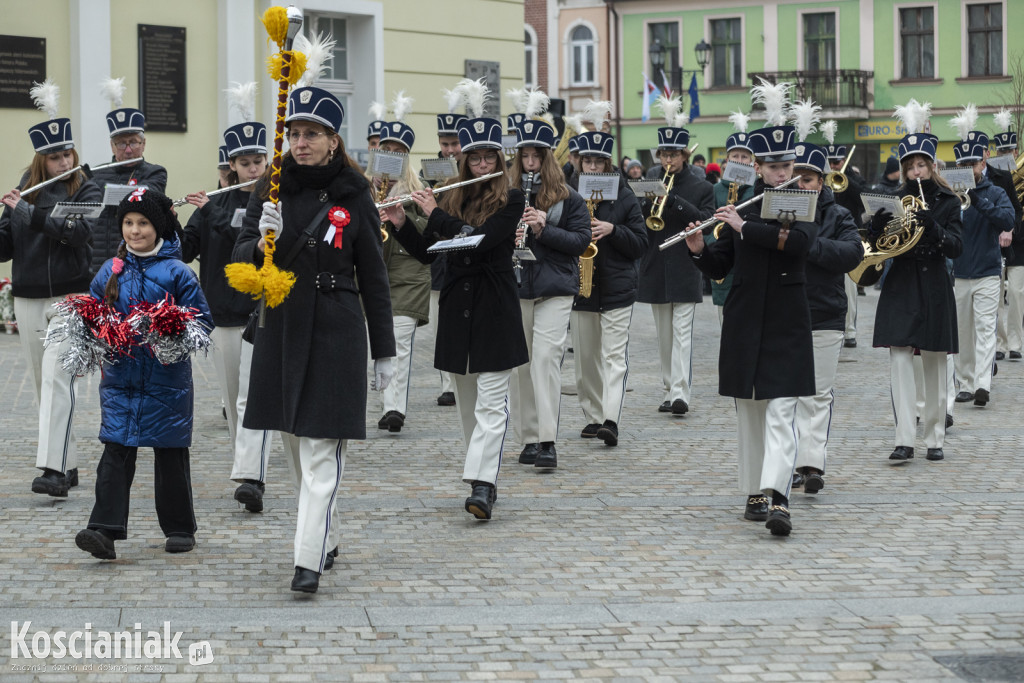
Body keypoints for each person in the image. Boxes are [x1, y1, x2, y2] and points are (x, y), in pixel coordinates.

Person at [233, 86, 396, 593]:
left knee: (323, 445)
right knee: (295, 448)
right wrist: (263, 238)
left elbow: (374, 275)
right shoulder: (270, 188)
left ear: (332, 140)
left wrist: (385, 350)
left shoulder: (354, 192)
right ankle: (324, 537)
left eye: (312, 135)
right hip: (281, 322)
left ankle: (306, 561)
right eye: (294, 133)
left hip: (336, 324)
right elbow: (240, 259)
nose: (300, 143)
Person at [385, 87, 528, 521]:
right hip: (458, 309)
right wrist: (401, 224)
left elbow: (480, 241)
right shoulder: (449, 195)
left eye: (489, 158)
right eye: (475, 159)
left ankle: (483, 484)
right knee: (468, 407)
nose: (482, 166)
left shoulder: (514, 198)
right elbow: (431, 251)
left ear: (500, 161)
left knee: (490, 403)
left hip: (495, 307)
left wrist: (432, 214)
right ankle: (480, 475)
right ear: (463, 160)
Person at [683, 80, 816, 537]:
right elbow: (724, 265)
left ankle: (779, 498)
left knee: (782, 410)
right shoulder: (743, 203)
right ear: (757, 167)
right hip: (744, 318)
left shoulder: (801, 201)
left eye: (786, 166)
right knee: (751, 411)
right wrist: (699, 248)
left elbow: (798, 245)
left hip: (786, 319)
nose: (781, 174)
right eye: (773, 167)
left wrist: (745, 226)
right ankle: (756, 489)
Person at [74, 188, 212, 560]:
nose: (135, 231)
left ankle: (180, 527)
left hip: (166, 381)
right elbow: (93, 311)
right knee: (115, 450)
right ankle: (103, 530)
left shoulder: (177, 272)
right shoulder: (109, 269)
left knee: (170, 453)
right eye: (129, 223)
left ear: (160, 226)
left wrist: (171, 328)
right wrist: (90, 329)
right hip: (120, 378)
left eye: (143, 223)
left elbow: (202, 321)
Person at [0, 80, 102, 497]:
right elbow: (6, 247)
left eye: (67, 154)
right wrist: (7, 218)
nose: (63, 162)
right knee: (45, 384)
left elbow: (78, 234)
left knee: (61, 377)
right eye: (54, 156)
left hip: (71, 296)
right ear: (42, 159)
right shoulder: (24, 189)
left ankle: (53, 471)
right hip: (26, 296)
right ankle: (68, 462)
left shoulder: (87, 187)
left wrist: (30, 212)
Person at [181, 93, 274, 513]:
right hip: (222, 314)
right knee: (233, 395)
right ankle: (246, 468)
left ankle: (253, 472)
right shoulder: (213, 204)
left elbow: (243, 234)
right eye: (244, 163)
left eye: (258, 162)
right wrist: (159, 218)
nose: (252, 169)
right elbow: (184, 250)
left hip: (262, 313)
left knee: (255, 397)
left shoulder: (274, 201)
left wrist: (213, 212)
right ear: (231, 166)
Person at [871, 100, 962, 465]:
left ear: (932, 166)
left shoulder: (949, 201)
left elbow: (956, 246)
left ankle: (935, 436)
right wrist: (877, 228)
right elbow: (881, 249)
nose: (916, 171)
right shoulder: (896, 199)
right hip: (902, 285)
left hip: (935, 284)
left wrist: (933, 225)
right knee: (900, 361)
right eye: (910, 167)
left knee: (936, 362)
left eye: (922, 164)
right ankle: (904, 438)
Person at [508, 106, 591, 469]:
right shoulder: (508, 194)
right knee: (521, 365)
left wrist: (544, 228)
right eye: (524, 156)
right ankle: (527, 437)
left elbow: (581, 241)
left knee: (545, 359)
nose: (529, 163)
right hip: (518, 285)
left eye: (535, 157)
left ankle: (547, 439)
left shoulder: (569, 197)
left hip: (555, 286)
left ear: (547, 160)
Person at [789, 127, 863, 495]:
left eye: (809, 179)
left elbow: (851, 254)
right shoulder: (778, 210)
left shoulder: (839, 215)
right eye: (797, 178)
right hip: (786, 311)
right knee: (788, 394)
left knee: (818, 393)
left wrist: (806, 244)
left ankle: (812, 463)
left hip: (825, 314)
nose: (802, 185)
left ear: (821, 181)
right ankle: (791, 462)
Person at [637, 96, 714, 416]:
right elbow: (638, 220)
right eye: (664, 153)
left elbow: (707, 221)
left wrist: (673, 201)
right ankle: (668, 389)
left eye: (674, 154)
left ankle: (681, 392)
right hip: (656, 264)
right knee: (664, 334)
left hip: (684, 265)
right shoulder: (648, 181)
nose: (669, 159)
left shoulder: (700, 185)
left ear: (684, 155)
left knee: (682, 333)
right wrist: (647, 201)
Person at [571, 125, 647, 447]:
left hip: (617, 289)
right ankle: (593, 416)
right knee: (586, 359)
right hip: (581, 288)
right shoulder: (570, 193)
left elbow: (641, 243)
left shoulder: (625, 194)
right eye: (587, 161)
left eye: (598, 162)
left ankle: (611, 419)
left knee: (614, 356)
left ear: (607, 163)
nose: (592, 167)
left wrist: (612, 229)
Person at [947, 107, 1014, 409]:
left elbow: (1006, 219)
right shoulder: (952, 192)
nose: (968, 167)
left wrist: (977, 199)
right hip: (960, 271)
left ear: (983, 160)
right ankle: (965, 382)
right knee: (962, 330)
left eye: (972, 162)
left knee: (986, 327)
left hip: (987, 271)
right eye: (962, 163)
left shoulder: (996, 191)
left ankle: (982, 384)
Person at [374, 96, 432, 433]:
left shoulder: (418, 188)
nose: (391, 157)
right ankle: (385, 400)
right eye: (386, 150)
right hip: (375, 276)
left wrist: (402, 216)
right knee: (381, 344)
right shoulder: (364, 188)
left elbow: (429, 232)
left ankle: (394, 408)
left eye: (398, 152)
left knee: (400, 343)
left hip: (408, 275)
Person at [90, 78, 168, 275]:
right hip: (99, 263)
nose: (127, 150)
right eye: (121, 144)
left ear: (143, 144)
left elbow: (147, 195)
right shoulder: (96, 173)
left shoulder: (155, 172)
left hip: (137, 262)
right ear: (112, 146)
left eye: (133, 142)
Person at [429, 86, 470, 407]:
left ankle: (464, 377)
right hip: (438, 260)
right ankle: (448, 384)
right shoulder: (429, 172)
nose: (450, 150)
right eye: (445, 144)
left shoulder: (473, 171)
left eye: (455, 143)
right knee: (440, 326)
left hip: (467, 254)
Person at [708, 112, 758, 326]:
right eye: (735, 156)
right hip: (724, 265)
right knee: (725, 325)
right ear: (727, 160)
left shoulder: (757, 189)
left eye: (744, 157)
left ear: (752, 161)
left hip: (750, 263)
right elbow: (707, 225)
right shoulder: (715, 189)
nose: (740, 161)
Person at [822, 121, 865, 348]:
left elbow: (864, 199)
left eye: (837, 161)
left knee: (850, 287)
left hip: (849, 238)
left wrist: (847, 179)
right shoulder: (821, 180)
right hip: (827, 239)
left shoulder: (853, 179)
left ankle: (850, 332)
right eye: (830, 162)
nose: (833, 165)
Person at [992, 110, 1024, 360]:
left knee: (1017, 292)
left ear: (1015, 151)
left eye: (1010, 151)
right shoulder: (996, 175)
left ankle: (1015, 343)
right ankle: (1001, 343)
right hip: (996, 241)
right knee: (996, 297)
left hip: (1021, 242)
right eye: (1001, 151)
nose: (1007, 155)